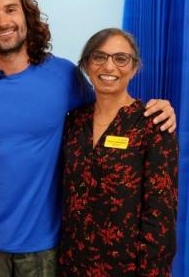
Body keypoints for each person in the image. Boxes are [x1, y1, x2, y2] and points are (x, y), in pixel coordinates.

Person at [0, 0, 177, 276]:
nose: (3, 21)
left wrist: (157, 108)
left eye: (11, 9)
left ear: (26, 15)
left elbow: (108, 106)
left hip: (46, 246)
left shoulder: (63, 75)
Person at [58, 28, 178, 276]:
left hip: (126, 268)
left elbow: (161, 215)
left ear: (134, 68)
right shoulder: (74, 122)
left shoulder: (152, 125)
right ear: (86, 66)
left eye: (120, 58)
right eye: (99, 57)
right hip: (71, 263)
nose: (109, 66)